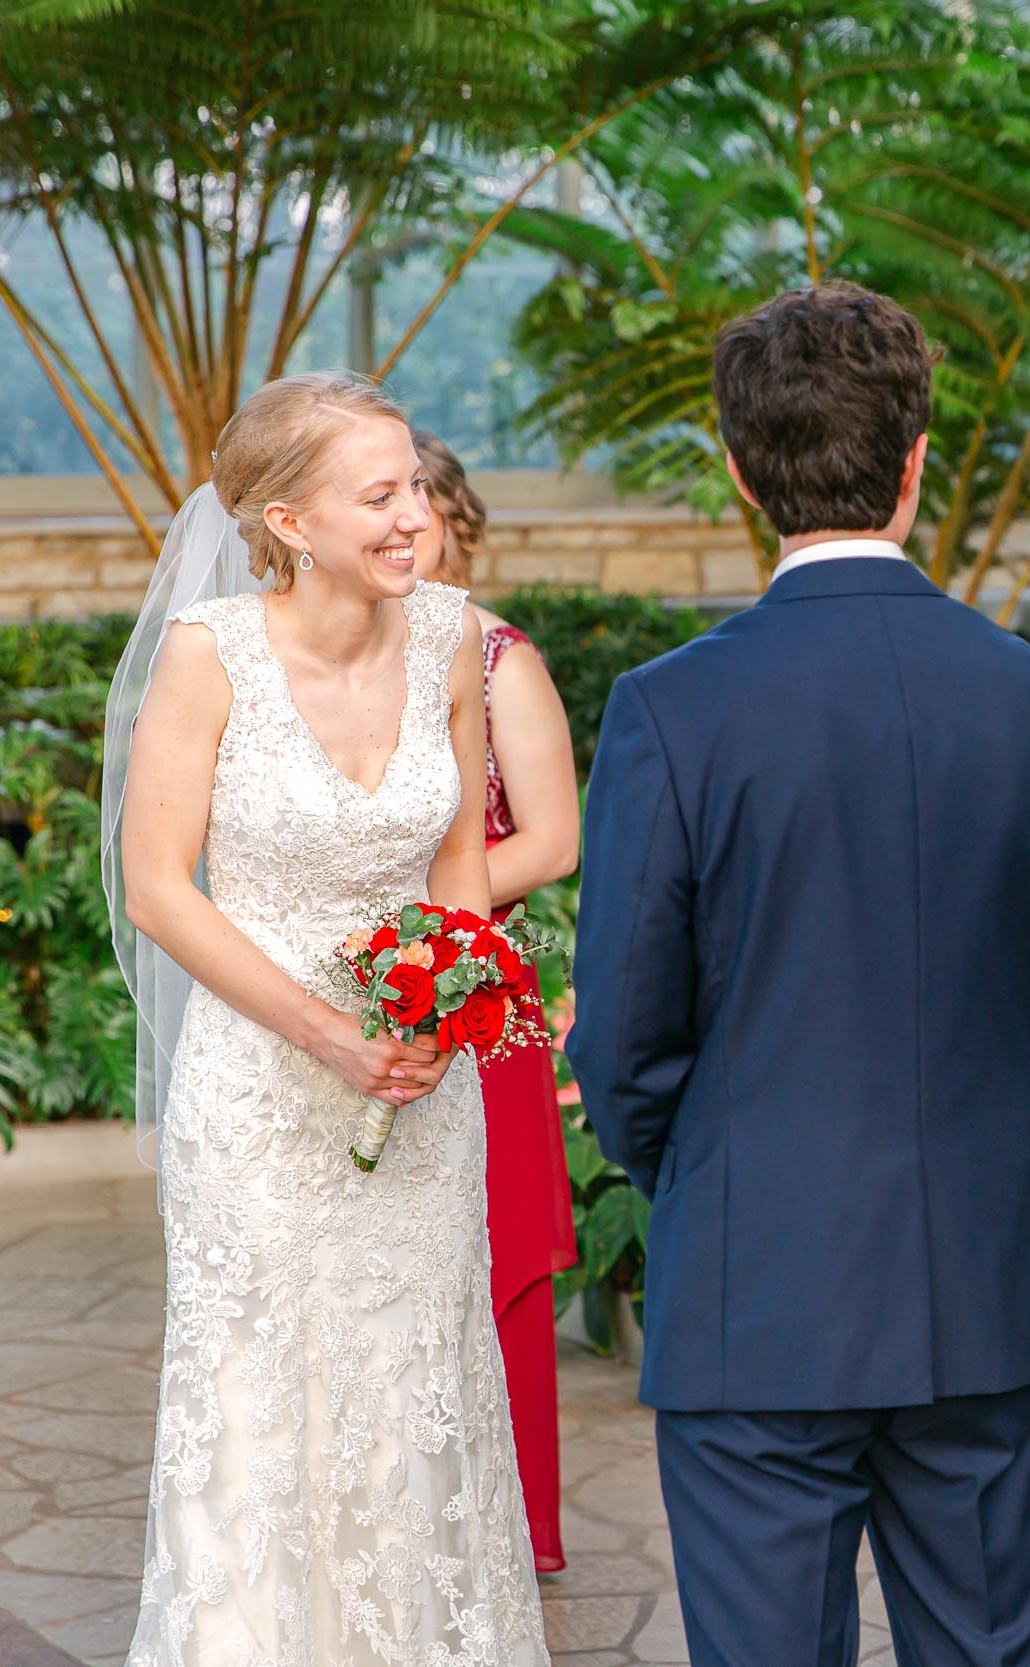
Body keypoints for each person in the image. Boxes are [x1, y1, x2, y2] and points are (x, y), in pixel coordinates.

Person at [565, 282, 1030, 1667]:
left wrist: (706, 1170)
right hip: (968, 1274)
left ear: (744, 470)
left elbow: (626, 1028)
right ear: (918, 459)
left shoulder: (671, 706)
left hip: (756, 1283)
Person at [103, 371, 549, 1665]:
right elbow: (155, 885)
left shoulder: (455, 635)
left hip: (418, 1086)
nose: (416, 513)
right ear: (288, 522)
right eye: (380, 493)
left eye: (414, 482)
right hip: (259, 1096)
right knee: (261, 1408)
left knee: (418, 1391)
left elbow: (462, 851)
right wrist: (324, 1029)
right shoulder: (210, 654)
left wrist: (448, 1004)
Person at [411, 426, 582, 1573]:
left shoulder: (497, 659)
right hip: (346, 1005)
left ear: (455, 523)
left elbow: (556, 840)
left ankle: (503, 1526)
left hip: (475, 1000)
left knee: (487, 1257)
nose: (397, 532)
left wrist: (419, 918)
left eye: (415, 509)